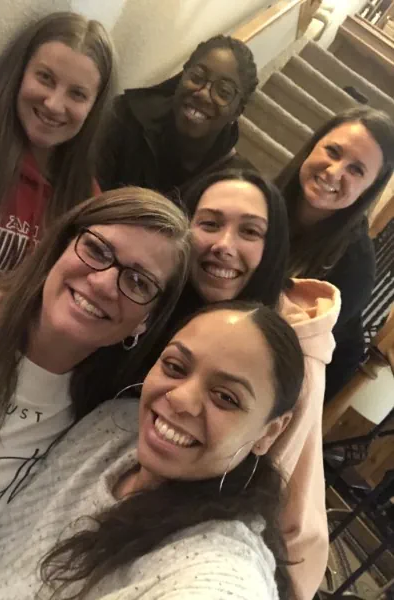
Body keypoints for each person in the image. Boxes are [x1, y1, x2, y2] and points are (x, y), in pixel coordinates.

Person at [0, 301, 305, 600]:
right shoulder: (111, 426)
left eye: (225, 397)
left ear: (270, 432)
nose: (180, 399)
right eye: (175, 367)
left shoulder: (217, 563)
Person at [105, 168, 338, 600]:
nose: (225, 245)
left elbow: (268, 499)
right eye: (210, 224)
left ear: (271, 248)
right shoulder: (158, 300)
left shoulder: (291, 360)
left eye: (250, 231)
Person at [0, 187, 190, 594]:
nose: (104, 283)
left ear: (146, 321)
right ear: (60, 245)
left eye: (138, 282)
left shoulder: (99, 423)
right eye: (96, 250)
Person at [0, 12, 115, 273]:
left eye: (77, 94)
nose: (54, 104)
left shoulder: (87, 198)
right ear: (20, 74)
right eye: (45, 78)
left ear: (94, 109)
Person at [275, 107, 394, 401]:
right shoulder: (262, 199)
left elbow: (283, 351)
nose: (334, 171)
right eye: (333, 151)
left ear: (368, 189)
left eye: (356, 170)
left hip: (297, 378)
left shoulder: (356, 265)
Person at [97, 35, 258, 196]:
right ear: (183, 75)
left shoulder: (235, 185)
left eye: (223, 92)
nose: (203, 94)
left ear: (237, 112)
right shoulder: (126, 117)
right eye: (197, 77)